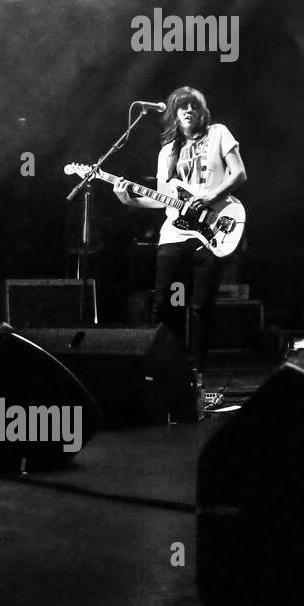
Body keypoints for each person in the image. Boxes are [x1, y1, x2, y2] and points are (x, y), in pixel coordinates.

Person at [113, 87, 247, 398]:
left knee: (200, 306)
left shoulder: (218, 134)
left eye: (193, 107)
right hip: (175, 231)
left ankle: (196, 374)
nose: (187, 111)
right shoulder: (167, 152)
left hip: (213, 226)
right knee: (163, 304)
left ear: (203, 112)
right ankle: (161, 370)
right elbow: (163, 200)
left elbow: (239, 173)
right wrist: (128, 199)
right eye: (181, 108)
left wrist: (208, 199)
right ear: (175, 114)